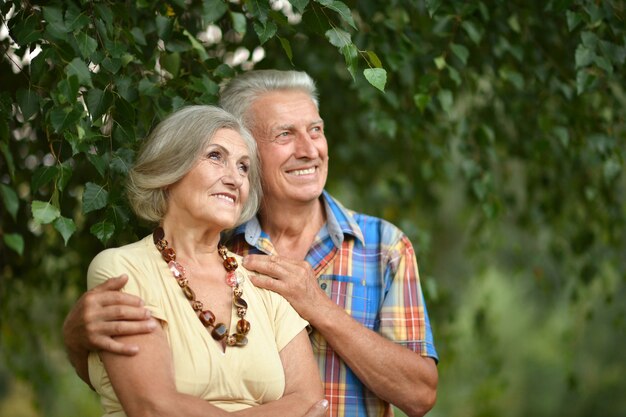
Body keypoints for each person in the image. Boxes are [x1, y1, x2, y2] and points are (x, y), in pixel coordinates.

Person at [63, 70, 438, 417]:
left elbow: (418, 396)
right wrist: (77, 343)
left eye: (316, 130)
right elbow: (137, 393)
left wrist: (317, 306)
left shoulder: (383, 246)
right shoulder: (220, 247)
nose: (309, 149)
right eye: (285, 134)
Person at [80, 104, 324, 416]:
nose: (235, 179)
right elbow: (154, 407)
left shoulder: (264, 281)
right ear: (170, 169)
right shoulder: (122, 270)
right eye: (215, 156)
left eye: (243, 167)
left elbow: (312, 402)